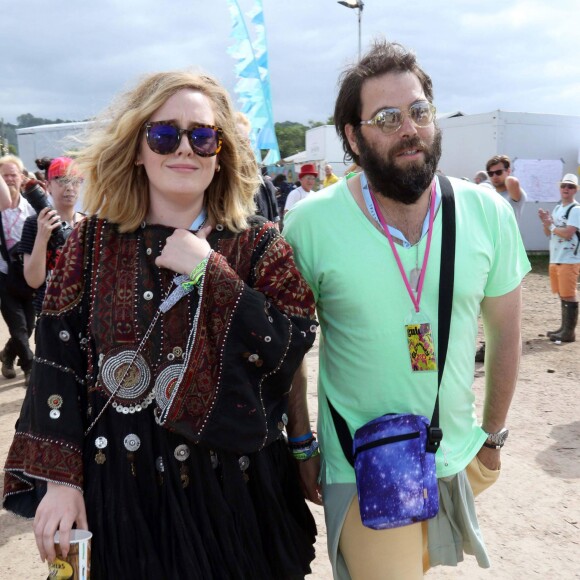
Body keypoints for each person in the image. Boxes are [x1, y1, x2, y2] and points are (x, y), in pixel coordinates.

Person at [3, 71, 319, 579]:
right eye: (165, 134)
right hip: (122, 492)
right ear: (137, 149)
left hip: (234, 491)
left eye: (203, 135)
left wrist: (209, 271)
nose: (185, 149)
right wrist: (61, 481)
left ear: (221, 152)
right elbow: (55, 357)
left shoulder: (259, 243)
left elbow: (288, 348)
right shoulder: (91, 243)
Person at [284, 40, 530, 579]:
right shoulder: (311, 225)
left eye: (419, 111)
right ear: (353, 136)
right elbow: (288, 351)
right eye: (387, 117)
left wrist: (492, 437)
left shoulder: (485, 212)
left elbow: (507, 333)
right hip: (363, 460)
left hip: (457, 452)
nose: (409, 129)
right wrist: (302, 445)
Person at [21, 157, 84, 315]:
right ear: (48, 186)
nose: (70, 187)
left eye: (76, 181)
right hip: (49, 314)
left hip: (83, 315)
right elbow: (33, 281)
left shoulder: (87, 224)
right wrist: (43, 236)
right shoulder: (34, 224)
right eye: (62, 180)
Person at [0, 155, 37, 385]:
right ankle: (30, 368)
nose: (10, 179)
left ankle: (7, 354)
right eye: (5, 175)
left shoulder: (32, 208)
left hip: (29, 275)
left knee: (30, 325)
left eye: (13, 174)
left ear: (22, 177)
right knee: (19, 326)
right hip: (3, 275)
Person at [538, 173, 580, 342]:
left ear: (575, 190)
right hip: (556, 257)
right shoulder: (557, 208)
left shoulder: (575, 209)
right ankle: (564, 328)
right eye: (563, 186)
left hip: (569, 258)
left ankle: (569, 332)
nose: (566, 189)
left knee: (568, 294)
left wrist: (552, 225)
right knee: (562, 294)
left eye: (570, 186)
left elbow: (568, 233)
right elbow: (549, 233)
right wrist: (546, 223)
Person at [234, 112, 280, 227]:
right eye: (233, 140)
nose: (238, 147)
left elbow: (275, 233)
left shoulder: (265, 187)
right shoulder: (211, 189)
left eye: (243, 141)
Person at [486, 154, 528, 226]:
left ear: (508, 171)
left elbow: (511, 181)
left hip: (506, 236)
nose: (494, 176)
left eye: (498, 172)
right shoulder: (490, 193)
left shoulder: (513, 192)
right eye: (491, 173)